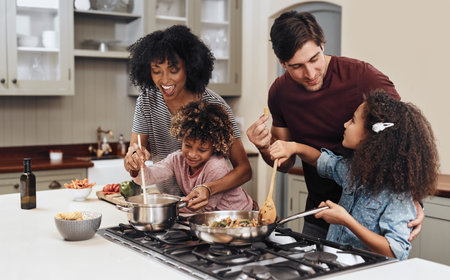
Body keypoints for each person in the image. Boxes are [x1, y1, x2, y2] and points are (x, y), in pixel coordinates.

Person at [246, 10, 424, 240]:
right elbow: (285, 162)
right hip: (321, 214)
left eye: (313, 59)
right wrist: (264, 146)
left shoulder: (363, 77)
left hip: (373, 219)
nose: (310, 73)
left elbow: (404, 136)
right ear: (282, 63)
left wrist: (412, 198)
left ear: (322, 44)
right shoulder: (280, 92)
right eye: (296, 66)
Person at [268, 90, 439, 260]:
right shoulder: (353, 171)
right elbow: (321, 160)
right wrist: (294, 147)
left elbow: (395, 251)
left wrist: (346, 220)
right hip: (337, 264)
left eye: (352, 121)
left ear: (370, 135)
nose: (345, 125)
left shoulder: (398, 194)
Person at [125, 25, 251, 211]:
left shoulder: (215, 106)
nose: (164, 79)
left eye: (173, 69)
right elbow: (136, 156)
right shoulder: (146, 101)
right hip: (174, 207)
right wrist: (133, 160)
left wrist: (208, 188)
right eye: (156, 70)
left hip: (211, 210)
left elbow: (244, 170)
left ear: (189, 68)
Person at [132, 101, 254, 212]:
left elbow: (204, 208)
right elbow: (147, 177)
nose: (192, 154)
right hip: (212, 218)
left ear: (215, 147)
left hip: (240, 215)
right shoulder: (177, 159)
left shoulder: (216, 167)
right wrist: (137, 168)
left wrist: (166, 203)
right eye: (188, 145)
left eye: (202, 150)